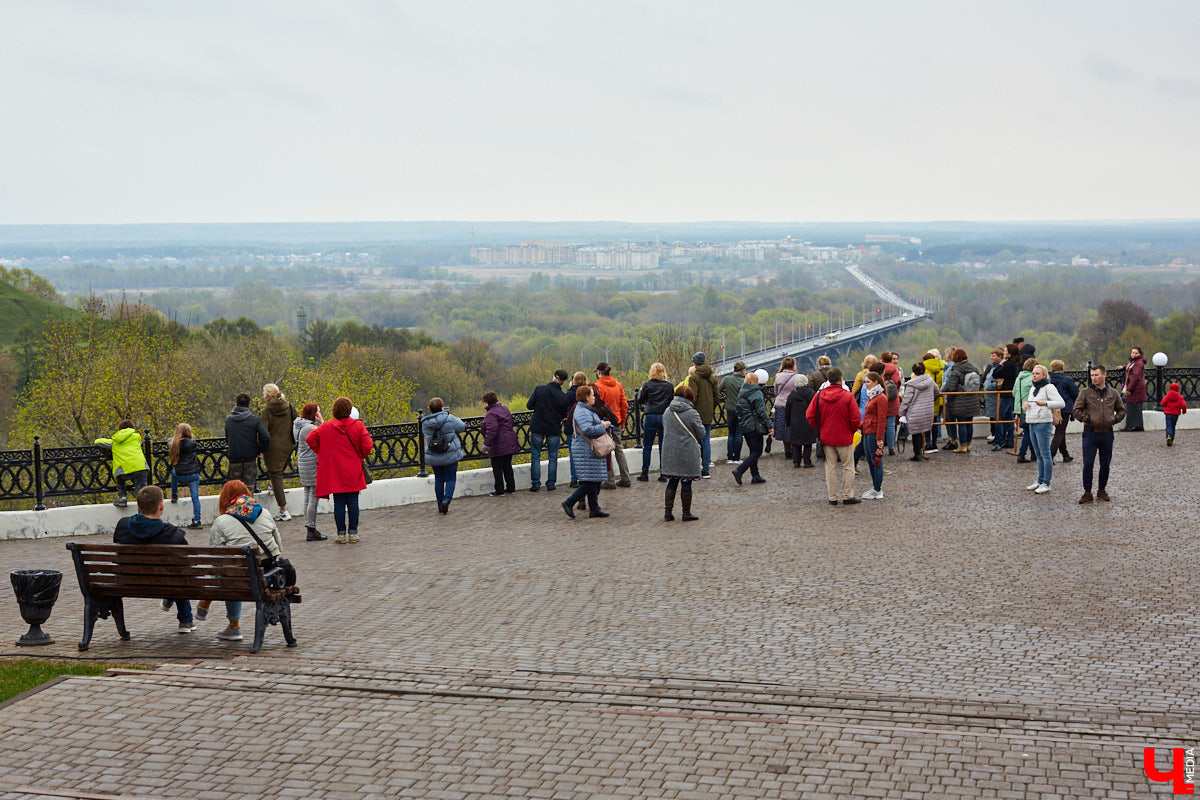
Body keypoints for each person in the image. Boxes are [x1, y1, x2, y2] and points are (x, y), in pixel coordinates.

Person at [203, 479, 283, 641]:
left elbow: (216, 557)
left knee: (226, 572)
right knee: (230, 572)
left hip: (238, 580)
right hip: (268, 577)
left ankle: (233, 624)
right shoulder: (265, 513)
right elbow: (278, 547)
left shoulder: (222, 521)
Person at [114, 485, 195, 634]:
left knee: (175, 573)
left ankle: (175, 607)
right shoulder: (173, 534)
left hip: (128, 581)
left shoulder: (122, 526)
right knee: (178, 574)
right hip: (165, 582)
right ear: (161, 506)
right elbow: (188, 567)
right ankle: (185, 620)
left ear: (138, 506)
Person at [306, 396, 374, 541]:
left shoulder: (326, 426)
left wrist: (324, 452)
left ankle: (341, 534)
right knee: (353, 502)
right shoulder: (358, 425)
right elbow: (368, 446)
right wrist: (359, 455)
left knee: (339, 502)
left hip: (335, 469)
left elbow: (310, 439)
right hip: (353, 468)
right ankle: (353, 532)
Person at [806, 367, 862, 506]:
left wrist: (820, 428)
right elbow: (855, 418)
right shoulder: (847, 396)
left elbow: (810, 415)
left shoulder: (819, 396)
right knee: (848, 466)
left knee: (830, 467)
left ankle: (832, 497)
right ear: (841, 379)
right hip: (844, 437)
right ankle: (848, 495)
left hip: (826, 437)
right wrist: (851, 430)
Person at [1072, 364, 1125, 504]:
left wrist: (1113, 420)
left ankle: (1102, 490)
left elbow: (1121, 410)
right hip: (1090, 432)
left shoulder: (1113, 393)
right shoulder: (1085, 392)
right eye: (1092, 375)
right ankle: (1087, 492)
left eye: (1096, 375)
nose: (1094, 378)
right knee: (1088, 463)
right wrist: (1088, 419)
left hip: (1107, 433)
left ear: (1104, 375)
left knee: (1105, 464)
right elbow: (1076, 410)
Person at [562, 384, 615, 519]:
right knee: (590, 481)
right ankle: (569, 502)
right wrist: (602, 426)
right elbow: (587, 430)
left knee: (594, 479)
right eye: (591, 395)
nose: (594, 397)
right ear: (586, 397)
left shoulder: (585, 410)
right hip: (586, 449)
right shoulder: (582, 411)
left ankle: (594, 509)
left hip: (588, 449)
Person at [660, 385, 705, 521]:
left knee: (672, 482)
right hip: (687, 452)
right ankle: (686, 513)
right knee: (686, 483)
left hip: (669, 452)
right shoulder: (692, 413)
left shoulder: (667, 411)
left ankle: (668, 512)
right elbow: (701, 433)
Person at [1023, 364, 1065, 494]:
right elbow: (1032, 402)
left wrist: (1046, 403)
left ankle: (1046, 482)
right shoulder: (1033, 387)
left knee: (1045, 454)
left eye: (1037, 373)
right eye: (1033, 373)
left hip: (1043, 423)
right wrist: (1027, 405)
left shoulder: (1049, 387)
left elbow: (1061, 403)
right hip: (1032, 422)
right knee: (1038, 454)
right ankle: (1040, 480)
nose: (1034, 375)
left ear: (1044, 375)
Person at [420, 397, 466, 515]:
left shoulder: (425, 423)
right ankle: (447, 500)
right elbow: (462, 427)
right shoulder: (449, 418)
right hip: (450, 453)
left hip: (435, 455)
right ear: (442, 408)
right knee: (450, 478)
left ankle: (440, 504)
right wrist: (452, 416)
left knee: (439, 480)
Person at [526, 369, 570, 492]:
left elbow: (529, 405)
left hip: (538, 426)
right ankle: (551, 483)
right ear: (563, 382)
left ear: (553, 377)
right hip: (553, 428)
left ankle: (535, 483)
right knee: (553, 456)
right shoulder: (563, 397)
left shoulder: (539, 390)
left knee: (535, 455)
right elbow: (563, 414)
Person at [259, 384, 297, 521]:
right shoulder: (289, 406)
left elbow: (264, 432)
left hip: (272, 447)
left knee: (276, 476)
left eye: (264, 394)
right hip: (287, 444)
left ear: (269, 396)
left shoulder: (266, 411)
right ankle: (272, 486)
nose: (263, 396)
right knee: (278, 472)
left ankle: (283, 510)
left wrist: (261, 449)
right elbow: (296, 421)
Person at [593, 362, 632, 487]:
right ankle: (625, 477)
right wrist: (623, 422)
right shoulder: (618, 385)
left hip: (603, 423)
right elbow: (624, 405)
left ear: (599, 372)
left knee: (606, 450)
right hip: (616, 421)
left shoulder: (597, 386)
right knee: (618, 449)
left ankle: (609, 480)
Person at [292, 403, 327, 541]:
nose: (319, 413)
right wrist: (322, 421)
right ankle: (311, 529)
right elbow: (325, 436)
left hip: (303, 463)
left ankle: (309, 527)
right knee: (314, 497)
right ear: (314, 414)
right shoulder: (311, 428)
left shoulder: (298, 426)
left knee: (307, 495)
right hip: (312, 464)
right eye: (318, 411)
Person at [95, 420, 148, 508]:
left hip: (123, 469)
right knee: (141, 493)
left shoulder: (115, 440)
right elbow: (140, 443)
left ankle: (123, 497)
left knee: (120, 481)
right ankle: (142, 514)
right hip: (139, 467)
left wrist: (100, 438)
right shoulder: (137, 437)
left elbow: (98, 442)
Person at [732, 369, 772, 485]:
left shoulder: (741, 392)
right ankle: (740, 470)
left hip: (744, 425)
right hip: (755, 426)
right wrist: (769, 426)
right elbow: (761, 412)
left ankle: (755, 475)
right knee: (757, 451)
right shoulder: (756, 393)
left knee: (752, 451)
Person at [636, 362, 674, 480]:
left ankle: (645, 472)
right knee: (664, 446)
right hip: (664, 416)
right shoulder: (669, 386)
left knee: (647, 446)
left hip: (651, 416)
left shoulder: (647, 385)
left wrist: (640, 392)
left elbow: (640, 401)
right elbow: (671, 400)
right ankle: (663, 472)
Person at [225, 393, 270, 493]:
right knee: (249, 489)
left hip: (234, 457)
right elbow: (266, 436)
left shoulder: (228, 420)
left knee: (234, 490)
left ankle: (235, 508)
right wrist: (261, 450)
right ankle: (248, 508)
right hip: (250, 457)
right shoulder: (255, 420)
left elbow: (227, 438)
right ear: (249, 405)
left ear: (236, 404)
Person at [686, 352, 720, 477]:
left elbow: (692, 397)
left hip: (695, 414)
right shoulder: (712, 377)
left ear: (694, 363)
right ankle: (706, 469)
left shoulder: (694, 378)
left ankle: (695, 467)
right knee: (706, 440)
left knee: (695, 441)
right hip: (708, 413)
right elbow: (717, 396)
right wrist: (711, 407)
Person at [898, 362, 938, 461]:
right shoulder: (930, 381)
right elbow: (937, 392)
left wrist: (902, 413)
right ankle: (920, 451)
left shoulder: (911, 384)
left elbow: (906, 400)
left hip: (914, 412)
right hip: (927, 411)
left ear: (913, 372)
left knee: (916, 433)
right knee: (921, 431)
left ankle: (917, 454)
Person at [481, 391, 519, 496]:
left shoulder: (490, 414)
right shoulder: (505, 409)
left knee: (497, 467)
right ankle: (511, 488)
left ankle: (499, 490)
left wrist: (486, 445)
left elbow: (492, 430)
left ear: (486, 403)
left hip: (498, 444)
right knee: (507, 466)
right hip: (510, 442)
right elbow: (511, 421)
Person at [943, 348, 980, 454]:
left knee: (962, 423)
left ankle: (962, 445)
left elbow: (952, 388)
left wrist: (949, 400)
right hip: (973, 400)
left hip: (960, 401)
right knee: (969, 422)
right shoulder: (973, 368)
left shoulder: (956, 370)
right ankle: (968, 444)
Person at [858, 371, 888, 499]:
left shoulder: (881, 398)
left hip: (873, 432)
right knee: (871, 460)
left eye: (868, 382)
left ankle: (877, 489)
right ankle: (875, 487)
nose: (866, 384)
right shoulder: (873, 396)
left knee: (875, 461)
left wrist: (879, 438)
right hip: (868, 430)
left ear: (876, 382)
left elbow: (882, 419)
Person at [167, 423, 203, 529]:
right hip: (194, 474)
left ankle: (174, 494)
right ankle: (197, 520)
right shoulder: (193, 443)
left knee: (173, 473)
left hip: (181, 474)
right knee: (195, 497)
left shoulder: (174, 443)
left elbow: (169, 441)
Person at [1047, 360, 1079, 463]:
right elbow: (1075, 392)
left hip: (1052, 407)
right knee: (1060, 432)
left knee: (1060, 431)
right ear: (1062, 368)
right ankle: (1050, 456)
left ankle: (1065, 454)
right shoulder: (1066, 379)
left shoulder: (1048, 379)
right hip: (1065, 408)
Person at [771, 357, 802, 460]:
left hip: (780, 405)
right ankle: (795, 451)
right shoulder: (796, 377)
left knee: (783, 429)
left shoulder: (778, 376)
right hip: (793, 405)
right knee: (793, 428)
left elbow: (775, 392)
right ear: (793, 366)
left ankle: (787, 452)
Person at [784, 377, 817, 468]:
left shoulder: (792, 395)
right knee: (808, 443)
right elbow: (816, 408)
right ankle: (807, 462)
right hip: (808, 421)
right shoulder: (811, 394)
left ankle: (796, 462)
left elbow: (787, 410)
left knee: (796, 443)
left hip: (795, 422)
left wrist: (788, 423)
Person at [718, 361, 747, 465]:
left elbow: (718, 390)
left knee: (731, 433)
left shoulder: (727, 379)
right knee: (739, 433)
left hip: (730, 408)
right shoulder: (745, 381)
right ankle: (737, 458)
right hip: (742, 409)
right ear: (742, 370)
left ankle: (729, 458)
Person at [564, 372, 589, 487]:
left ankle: (574, 478)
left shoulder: (569, 394)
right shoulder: (588, 393)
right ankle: (585, 477)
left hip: (571, 427)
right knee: (586, 453)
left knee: (573, 454)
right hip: (585, 426)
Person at [1012, 358, 1037, 463]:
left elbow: (1014, 392)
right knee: (1028, 432)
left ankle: (1034, 454)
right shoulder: (1032, 378)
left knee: (1028, 430)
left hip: (1019, 408)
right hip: (1028, 408)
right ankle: (1022, 454)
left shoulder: (1019, 377)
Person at [1118, 346, 1147, 431]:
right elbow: (1130, 367)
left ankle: (1131, 426)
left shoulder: (1139, 363)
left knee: (1133, 407)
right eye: (1132, 352)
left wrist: (1129, 389)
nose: (1133, 354)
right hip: (1135, 387)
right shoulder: (1135, 362)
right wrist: (1123, 367)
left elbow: (1135, 377)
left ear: (1140, 354)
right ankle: (1137, 426)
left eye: (1136, 353)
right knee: (1134, 407)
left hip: (1136, 388)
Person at [921, 350, 945, 453]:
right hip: (937, 397)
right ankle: (934, 444)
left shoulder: (923, 368)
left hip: (926, 398)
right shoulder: (941, 367)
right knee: (935, 421)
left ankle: (927, 443)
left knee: (927, 422)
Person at [881, 352, 903, 454]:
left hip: (882, 399)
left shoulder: (879, 368)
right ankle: (891, 448)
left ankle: (880, 447)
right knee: (891, 425)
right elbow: (899, 382)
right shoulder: (896, 369)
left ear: (882, 359)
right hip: (893, 400)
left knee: (881, 425)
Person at [982, 349, 1002, 444]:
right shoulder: (992, 367)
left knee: (996, 416)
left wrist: (990, 386)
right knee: (993, 416)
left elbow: (999, 382)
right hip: (989, 396)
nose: (991, 357)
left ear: (999, 357)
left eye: (994, 356)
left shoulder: (998, 367)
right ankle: (995, 436)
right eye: (991, 355)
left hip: (994, 395)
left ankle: (997, 436)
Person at [1159, 381, 1187, 446]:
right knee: (1173, 426)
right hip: (1176, 414)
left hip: (1168, 414)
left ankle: (1169, 435)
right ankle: (1172, 438)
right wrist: (1184, 411)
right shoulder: (1180, 397)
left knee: (1168, 425)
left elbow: (1162, 403)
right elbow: (1183, 405)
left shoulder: (1167, 396)